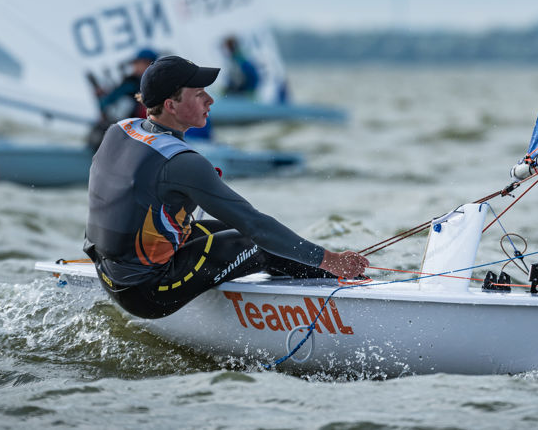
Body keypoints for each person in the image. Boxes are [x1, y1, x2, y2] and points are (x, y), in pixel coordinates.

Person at [83, 55, 368, 319]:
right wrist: (328, 259)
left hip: (108, 274)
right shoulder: (183, 164)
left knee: (231, 233)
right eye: (198, 94)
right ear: (171, 105)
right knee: (259, 242)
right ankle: (338, 277)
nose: (210, 100)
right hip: (149, 294)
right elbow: (256, 226)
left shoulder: (120, 129)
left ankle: (333, 275)